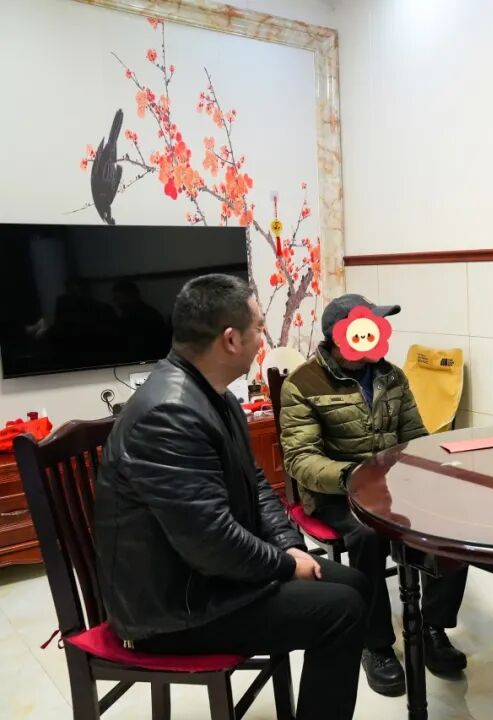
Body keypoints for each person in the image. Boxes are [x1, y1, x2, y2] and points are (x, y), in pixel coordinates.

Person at [94, 274, 370, 720]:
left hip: (204, 578)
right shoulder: (170, 413)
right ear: (230, 339)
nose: (263, 338)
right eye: (259, 327)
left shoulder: (211, 394)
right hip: (173, 610)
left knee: (354, 583)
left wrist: (290, 546)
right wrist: (285, 566)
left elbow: (256, 484)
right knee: (343, 611)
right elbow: (210, 543)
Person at [279, 293, 469, 697]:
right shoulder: (302, 384)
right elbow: (301, 459)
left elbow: (414, 437)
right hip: (335, 492)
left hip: (391, 485)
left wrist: (434, 469)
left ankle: (434, 627)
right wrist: (353, 477)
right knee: (367, 535)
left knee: (454, 517)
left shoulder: (391, 376)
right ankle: (376, 644)